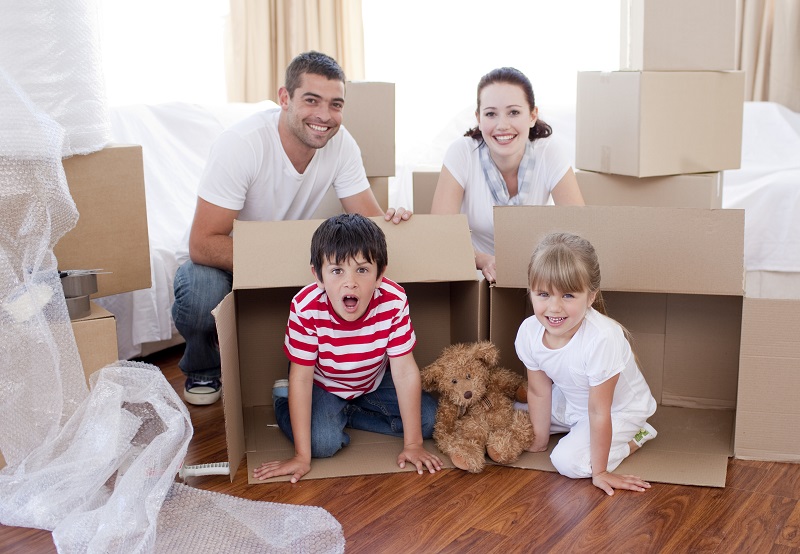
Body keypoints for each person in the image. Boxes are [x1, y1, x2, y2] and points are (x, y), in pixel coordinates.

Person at [172, 51, 411, 406]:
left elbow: (370, 223)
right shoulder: (243, 145)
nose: (324, 116)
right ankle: (204, 366)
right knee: (200, 290)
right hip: (227, 263)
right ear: (284, 98)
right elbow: (202, 243)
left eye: (335, 104)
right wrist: (274, 264)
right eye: (311, 100)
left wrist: (396, 220)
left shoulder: (341, 143)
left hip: (289, 262)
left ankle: (314, 383)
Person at [253, 213, 442, 483]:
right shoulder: (305, 307)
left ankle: (348, 413)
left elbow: (404, 372)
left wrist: (413, 444)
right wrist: (301, 457)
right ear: (318, 276)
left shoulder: (394, 300)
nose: (350, 282)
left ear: (380, 275)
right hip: (322, 382)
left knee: (429, 421)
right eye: (337, 271)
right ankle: (283, 400)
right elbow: (302, 377)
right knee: (322, 444)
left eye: (362, 270)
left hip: (372, 381)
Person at [515, 232, 657, 496]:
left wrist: (601, 471)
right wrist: (539, 441)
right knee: (514, 416)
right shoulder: (529, 332)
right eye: (543, 294)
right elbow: (538, 391)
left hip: (616, 411)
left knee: (566, 462)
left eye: (568, 296)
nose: (554, 308)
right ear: (531, 291)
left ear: (591, 297)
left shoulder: (601, 338)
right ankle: (568, 432)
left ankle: (638, 436)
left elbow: (599, 411)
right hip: (571, 400)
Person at [431, 67, 584, 283]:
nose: (502, 125)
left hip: (534, 275)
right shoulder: (463, 152)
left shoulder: (549, 153)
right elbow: (440, 234)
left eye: (513, 112)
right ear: (479, 118)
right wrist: (483, 260)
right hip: (473, 275)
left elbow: (579, 232)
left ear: (532, 115)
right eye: (491, 114)